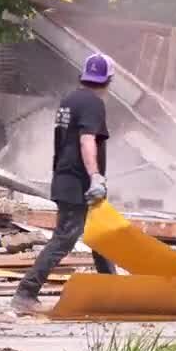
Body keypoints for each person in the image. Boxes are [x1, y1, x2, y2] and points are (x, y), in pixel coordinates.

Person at [11, 53, 117, 315]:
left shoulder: (69, 100)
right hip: (78, 181)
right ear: (108, 80)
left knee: (100, 236)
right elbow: (86, 140)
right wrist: (95, 176)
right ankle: (26, 292)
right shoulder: (93, 103)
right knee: (65, 237)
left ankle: (113, 291)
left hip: (65, 177)